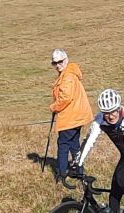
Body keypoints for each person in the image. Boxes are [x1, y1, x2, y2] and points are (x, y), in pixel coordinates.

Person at [49, 49, 91, 181]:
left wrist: (53, 107)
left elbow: (65, 98)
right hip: (77, 116)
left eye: (60, 62)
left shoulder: (67, 77)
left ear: (66, 60)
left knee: (63, 144)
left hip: (70, 117)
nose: (57, 65)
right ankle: (78, 170)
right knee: (74, 143)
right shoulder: (70, 73)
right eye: (54, 63)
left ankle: (62, 173)